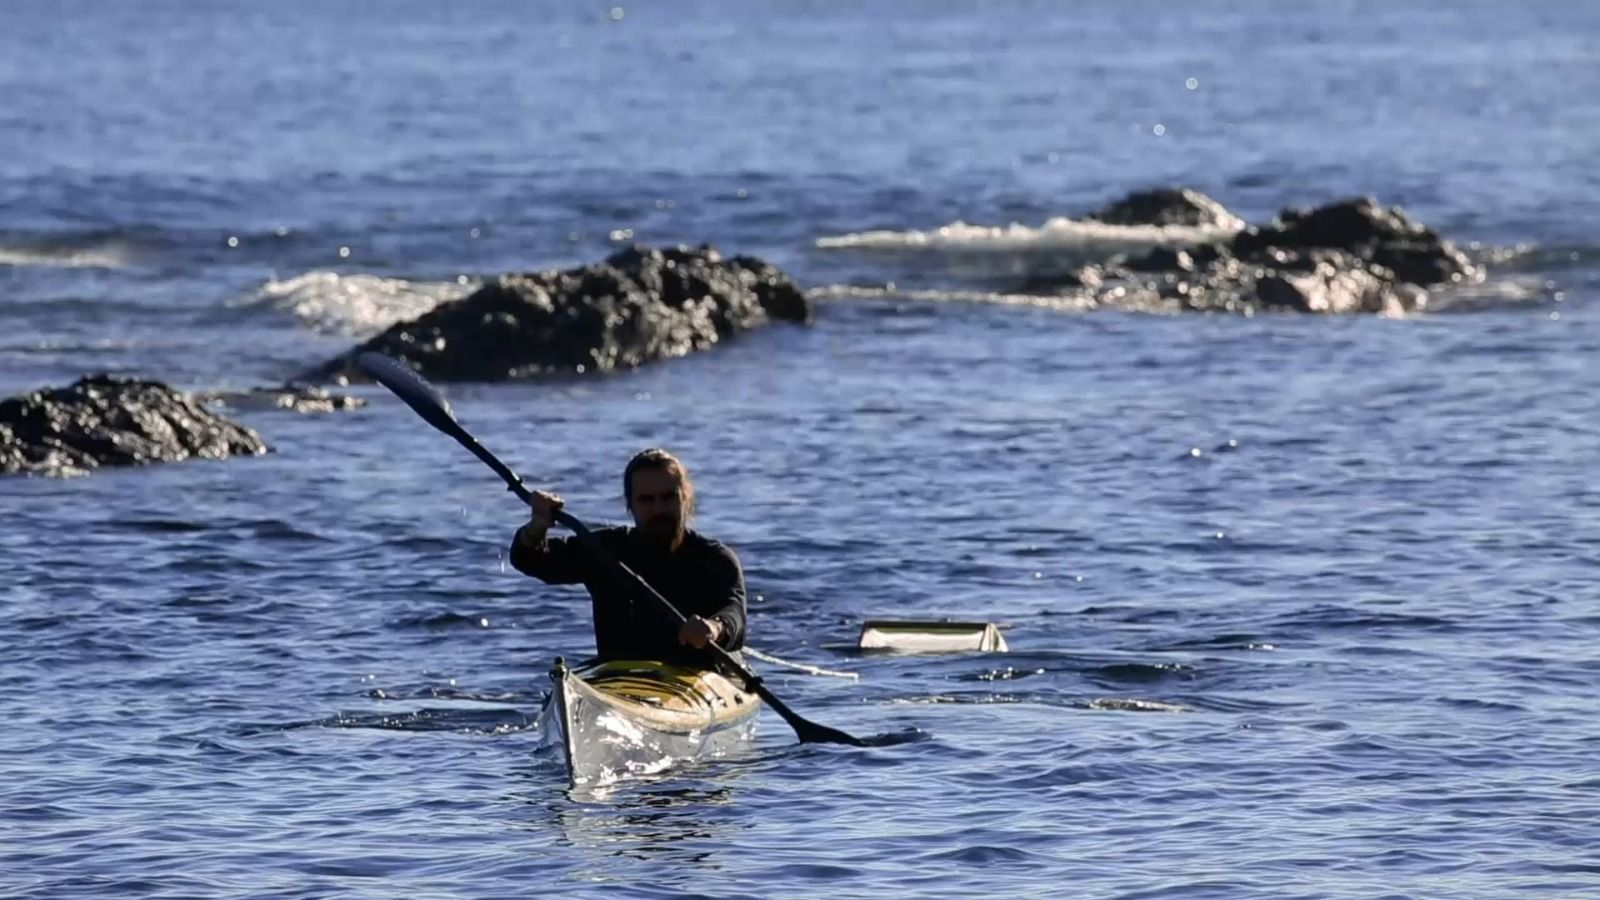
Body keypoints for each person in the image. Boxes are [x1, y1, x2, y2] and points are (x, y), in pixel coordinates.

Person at [509, 448, 746, 665]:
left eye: (668, 497)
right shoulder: (605, 549)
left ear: (685, 499)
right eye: (647, 500)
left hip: (695, 682)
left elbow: (734, 614)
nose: (658, 509)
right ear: (630, 505)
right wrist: (537, 527)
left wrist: (714, 628)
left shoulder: (715, 558)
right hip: (620, 681)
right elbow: (530, 559)